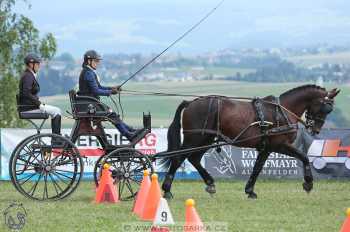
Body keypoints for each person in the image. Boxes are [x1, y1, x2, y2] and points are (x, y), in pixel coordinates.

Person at [77, 50, 138, 141]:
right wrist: (111, 92)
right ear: (89, 61)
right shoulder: (88, 73)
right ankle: (128, 134)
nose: (97, 63)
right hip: (89, 105)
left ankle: (130, 130)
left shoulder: (88, 72)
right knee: (112, 114)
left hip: (89, 103)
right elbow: (96, 90)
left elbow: (99, 87)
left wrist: (112, 88)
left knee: (112, 114)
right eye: (95, 61)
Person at [18, 53, 62, 142]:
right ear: (31, 64)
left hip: (29, 106)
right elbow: (26, 93)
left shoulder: (28, 75)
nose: (39, 66)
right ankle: (56, 139)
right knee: (56, 111)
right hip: (29, 108)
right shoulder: (28, 76)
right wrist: (39, 104)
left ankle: (56, 137)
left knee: (56, 110)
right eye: (37, 64)